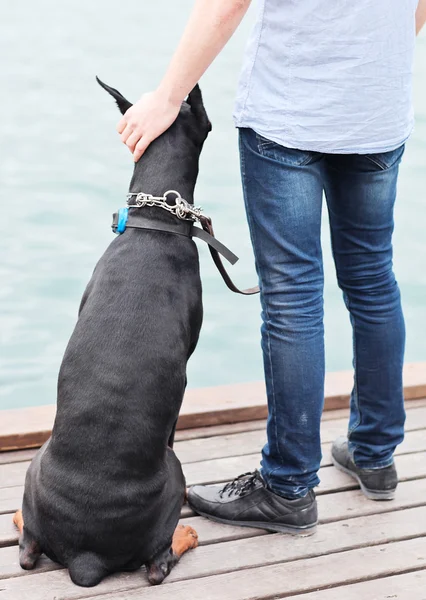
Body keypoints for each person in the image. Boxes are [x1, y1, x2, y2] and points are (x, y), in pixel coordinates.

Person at [117, 1, 426, 534]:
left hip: (291, 110)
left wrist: (167, 98)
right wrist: (375, 57)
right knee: (373, 279)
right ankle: (375, 455)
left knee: (293, 297)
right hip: (377, 109)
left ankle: (287, 487)